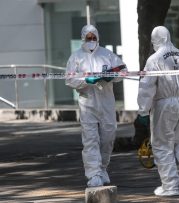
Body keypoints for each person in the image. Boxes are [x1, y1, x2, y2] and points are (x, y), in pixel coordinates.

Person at [137, 26, 179, 196]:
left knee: (161, 145)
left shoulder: (154, 59)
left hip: (163, 104)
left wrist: (143, 111)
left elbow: (147, 87)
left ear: (156, 40)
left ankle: (170, 186)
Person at [65, 24, 127, 187]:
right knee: (90, 139)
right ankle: (93, 174)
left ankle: (102, 168)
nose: (91, 41)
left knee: (108, 137)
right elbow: (69, 79)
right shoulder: (76, 57)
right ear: (83, 38)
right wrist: (85, 80)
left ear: (98, 38)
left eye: (93, 38)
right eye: (88, 38)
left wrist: (112, 77)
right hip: (87, 102)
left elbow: (123, 71)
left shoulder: (107, 54)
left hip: (107, 102)